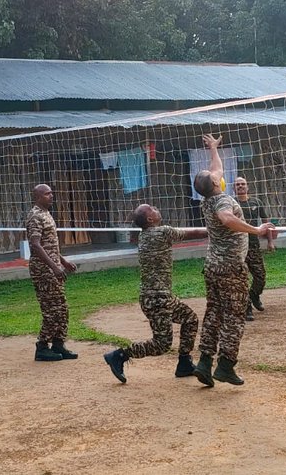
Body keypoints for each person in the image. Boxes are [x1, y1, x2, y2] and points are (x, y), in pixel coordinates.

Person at [191, 134, 274, 386]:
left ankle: (205, 363)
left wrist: (214, 148)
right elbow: (227, 219)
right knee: (234, 315)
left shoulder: (207, 198)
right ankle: (226, 365)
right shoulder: (224, 201)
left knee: (214, 312)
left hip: (212, 266)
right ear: (217, 183)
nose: (216, 172)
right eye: (213, 174)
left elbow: (216, 168)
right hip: (230, 268)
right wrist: (257, 230)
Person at [103, 204, 206, 383]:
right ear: (150, 219)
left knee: (190, 319)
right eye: (152, 208)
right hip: (157, 298)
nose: (157, 208)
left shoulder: (144, 234)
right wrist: (219, 226)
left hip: (160, 296)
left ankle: (184, 363)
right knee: (161, 344)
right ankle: (119, 355)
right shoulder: (162, 232)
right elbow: (195, 232)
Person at [26, 184, 79, 362]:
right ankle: (42, 347)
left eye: (51, 193)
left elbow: (49, 245)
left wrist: (63, 262)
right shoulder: (35, 216)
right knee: (52, 310)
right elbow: (35, 245)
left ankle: (58, 344)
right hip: (43, 270)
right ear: (38, 197)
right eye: (47, 194)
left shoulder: (46, 214)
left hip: (54, 267)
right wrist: (54, 267)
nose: (51, 196)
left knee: (62, 308)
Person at [234, 177, 274, 321]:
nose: (240, 186)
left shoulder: (256, 202)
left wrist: (270, 242)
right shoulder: (231, 203)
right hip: (238, 248)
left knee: (260, 277)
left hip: (254, 246)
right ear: (234, 188)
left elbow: (266, 223)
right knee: (242, 279)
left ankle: (254, 295)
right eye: (237, 184)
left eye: (243, 184)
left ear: (247, 187)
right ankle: (247, 308)